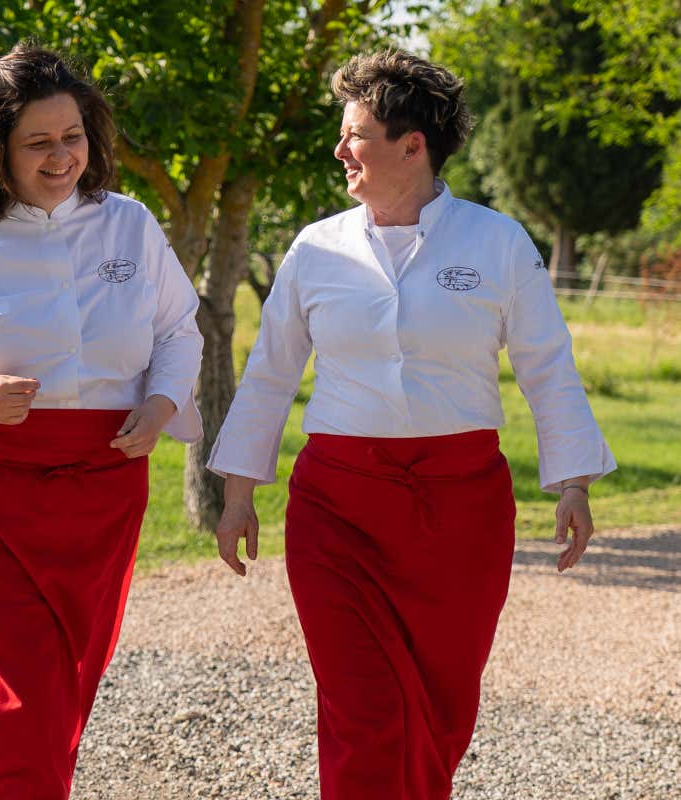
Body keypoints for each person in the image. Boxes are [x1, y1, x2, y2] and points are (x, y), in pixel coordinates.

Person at [207, 50, 616, 799]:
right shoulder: (314, 249)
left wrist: (573, 482)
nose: (339, 151)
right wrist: (237, 494)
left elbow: (547, 366)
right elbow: (269, 375)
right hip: (337, 511)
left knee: (441, 707)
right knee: (363, 707)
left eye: (354, 135)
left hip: (460, 513)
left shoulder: (497, 243)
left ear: (411, 145)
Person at [0, 44, 203, 800]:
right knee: (11, 704)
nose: (63, 156)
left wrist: (160, 402)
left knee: (63, 693)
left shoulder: (132, 227)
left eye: (74, 135)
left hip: (103, 485)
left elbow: (179, 330)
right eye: (39, 142)